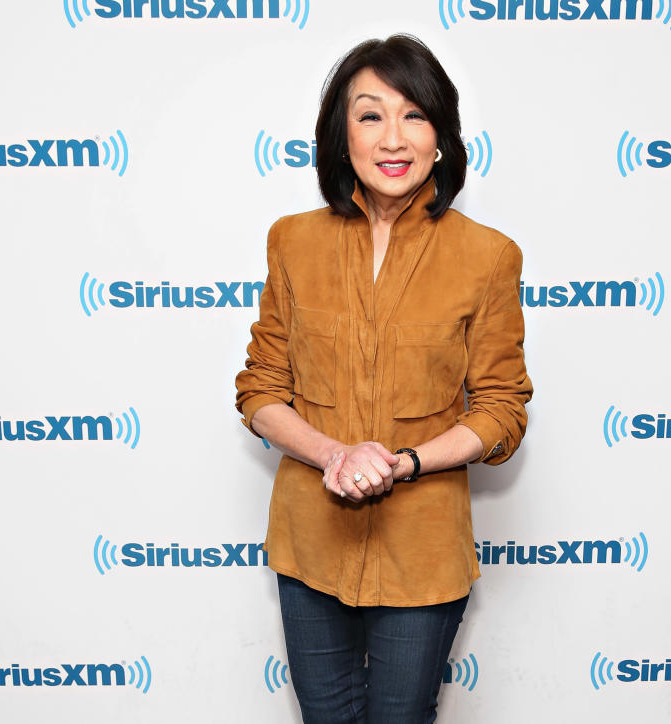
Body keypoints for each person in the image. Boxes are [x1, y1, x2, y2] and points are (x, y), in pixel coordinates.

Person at [235, 34, 532, 724]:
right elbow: (260, 388)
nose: (392, 138)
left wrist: (404, 463)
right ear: (342, 137)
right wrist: (334, 454)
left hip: (423, 553)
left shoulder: (488, 257)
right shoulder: (292, 242)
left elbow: (502, 411)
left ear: (442, 138)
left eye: (414, 115)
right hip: (311, 544)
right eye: (370, 115)